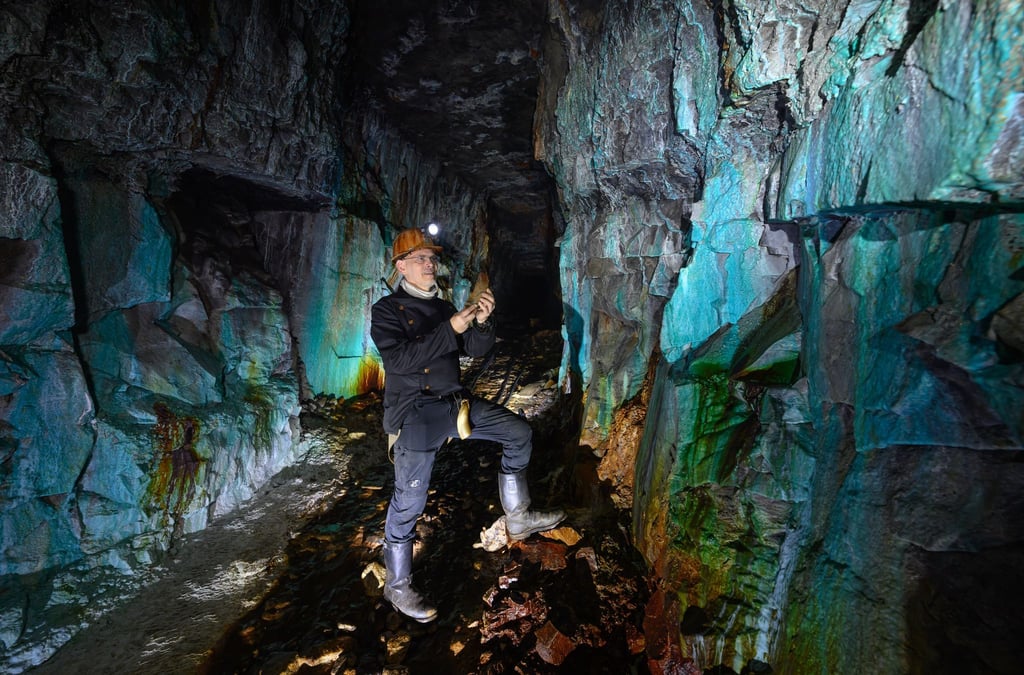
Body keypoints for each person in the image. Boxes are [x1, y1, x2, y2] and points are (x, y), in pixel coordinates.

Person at [370, 227, 566, 623]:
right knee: (409, 500)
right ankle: (397, 585)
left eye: (431, 258)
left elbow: (473, 351)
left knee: (518, 433)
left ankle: (518, 516)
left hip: (453, 404)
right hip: (415, 412)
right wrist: (453, 328)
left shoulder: (443, 308)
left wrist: (480, 323)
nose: (430, 265)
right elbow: (401, 362)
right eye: (421, 259)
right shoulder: (386, 311)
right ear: (401, 266)